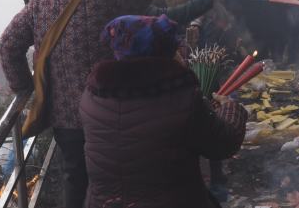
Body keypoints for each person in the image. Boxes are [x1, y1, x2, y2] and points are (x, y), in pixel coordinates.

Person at [0, 0, 152, 208]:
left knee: (74, 178)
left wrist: (25, 86)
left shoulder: (39, 3)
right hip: (109, 113)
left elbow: (8, 45)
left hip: (66, 118)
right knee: (114, 180)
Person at [80, 15, 248, 208]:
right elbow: (223, 143)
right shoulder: (182, 99)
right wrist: (229, 107)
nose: (179, 53)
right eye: (175, 49)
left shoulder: (93, 96)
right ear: (163, 54)